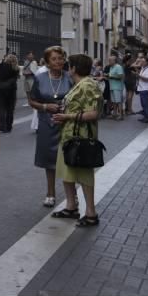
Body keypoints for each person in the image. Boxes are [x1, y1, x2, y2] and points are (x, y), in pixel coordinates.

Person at [49, 54, 103, 228]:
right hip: (69, 136)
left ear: (74, 68)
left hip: (82, 138)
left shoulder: (88, 85)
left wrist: (66, 116)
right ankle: (71, 207)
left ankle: (91, 213)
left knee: (84, 176)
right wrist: (62, 117)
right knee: (67, 173)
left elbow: (94, 114)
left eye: (69, 65)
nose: (66, 67)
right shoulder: (79, 84)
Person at [28, 45, 73, 208]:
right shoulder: (40, 78)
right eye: (54, 59)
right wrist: (46, 107)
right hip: (47, 123)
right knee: (49, 161)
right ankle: (50, 193)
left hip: (66, 123)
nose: (58, 61)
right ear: (47, 62)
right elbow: (32, 101)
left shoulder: (70, 77)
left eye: (61, 58)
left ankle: (71, 196)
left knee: (69, 159)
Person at [0, 54, 19, 133]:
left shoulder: (2, 65)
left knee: (1, 108)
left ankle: (3, 127)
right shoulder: (16, 68)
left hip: (0, 89)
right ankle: (9, 126)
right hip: (12, 90)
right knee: (10, 109)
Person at [136, 55, 148, 123]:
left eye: (143, 61)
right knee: (143, 104)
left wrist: (138, 75)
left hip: (146, 89)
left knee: (146, 104)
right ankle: (145, 117)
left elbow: (147, 79)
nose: (141, 62)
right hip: (142, 88)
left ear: (147, 62)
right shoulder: (143, 68)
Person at [106, 55, 125, 120]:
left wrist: (111, 76)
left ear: (114, 61)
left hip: (117, 87)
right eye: (109, 60)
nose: (109, 62)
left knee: (118, 101)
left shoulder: (118, 67)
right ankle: (114, 113)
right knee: (114, 101)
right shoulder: (111, 67)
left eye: (110, 60)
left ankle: (121, 115)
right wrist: (107, 76)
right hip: (112, 86)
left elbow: (121, 76)